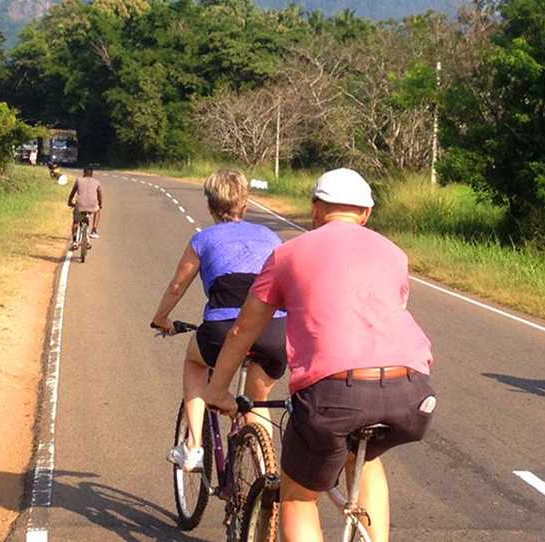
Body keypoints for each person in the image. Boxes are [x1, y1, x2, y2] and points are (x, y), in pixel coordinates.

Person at [203, 168, 435, 542]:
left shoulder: (288, 254)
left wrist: (217, 390)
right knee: (367, 457)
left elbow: (243, 330)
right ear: (366, 214)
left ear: (315, 209)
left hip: (334, 394)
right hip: (412, 390)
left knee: (298, 498)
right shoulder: (394, 254)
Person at [151, 169, 288, 471]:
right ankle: (266, 475)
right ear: (245, 205)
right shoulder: (270, 236)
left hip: (223, 330)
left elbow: (177, 286)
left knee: (194, 362)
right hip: (274, 329)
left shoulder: (203, 239)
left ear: (210, 207)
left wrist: (161, 318)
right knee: (258, 401)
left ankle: (193, 447)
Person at [67, 167, 102, 250]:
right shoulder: (97, 182)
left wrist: (69, 202)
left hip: (80, 205)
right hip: (93, 205)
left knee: (76, 221)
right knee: (98, 210)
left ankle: (75, 241)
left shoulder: (78, 180)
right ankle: (94, 229)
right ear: (92, 174)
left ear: (84, 173)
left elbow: (72, 192)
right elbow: (100, 195)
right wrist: (100, 204)